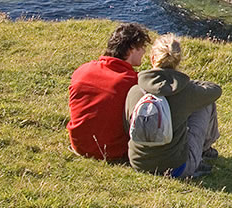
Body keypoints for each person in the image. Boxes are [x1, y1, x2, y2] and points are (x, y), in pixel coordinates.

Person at [126, 33, 221, 178]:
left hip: (139, 164)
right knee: (205, 104)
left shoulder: (135, 90)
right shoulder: (186, 92)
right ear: (178, 61)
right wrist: (189, 84)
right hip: (176, 169)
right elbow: (215, 90)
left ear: (153, 59)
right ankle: (205, 150)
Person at [67, 22, 152, 161]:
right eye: (142, 47)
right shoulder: (133, 82)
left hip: (79, 145)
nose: (144, 52)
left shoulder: (82, 70)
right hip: (113, 151)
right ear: (131, 49)